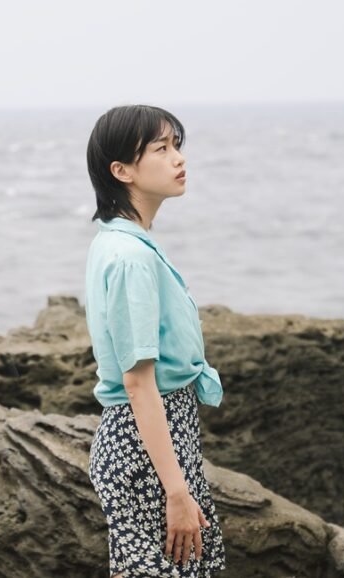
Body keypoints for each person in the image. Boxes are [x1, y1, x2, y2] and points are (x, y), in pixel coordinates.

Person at [85, 104, 227, 577]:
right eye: (162, 149)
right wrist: (177, 490)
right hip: (143, 448)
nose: (179, 159)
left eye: (178, 146)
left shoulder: (121, 240)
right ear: (121, 170)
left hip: (151, 437)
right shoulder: (130, 257)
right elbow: (138, 382)